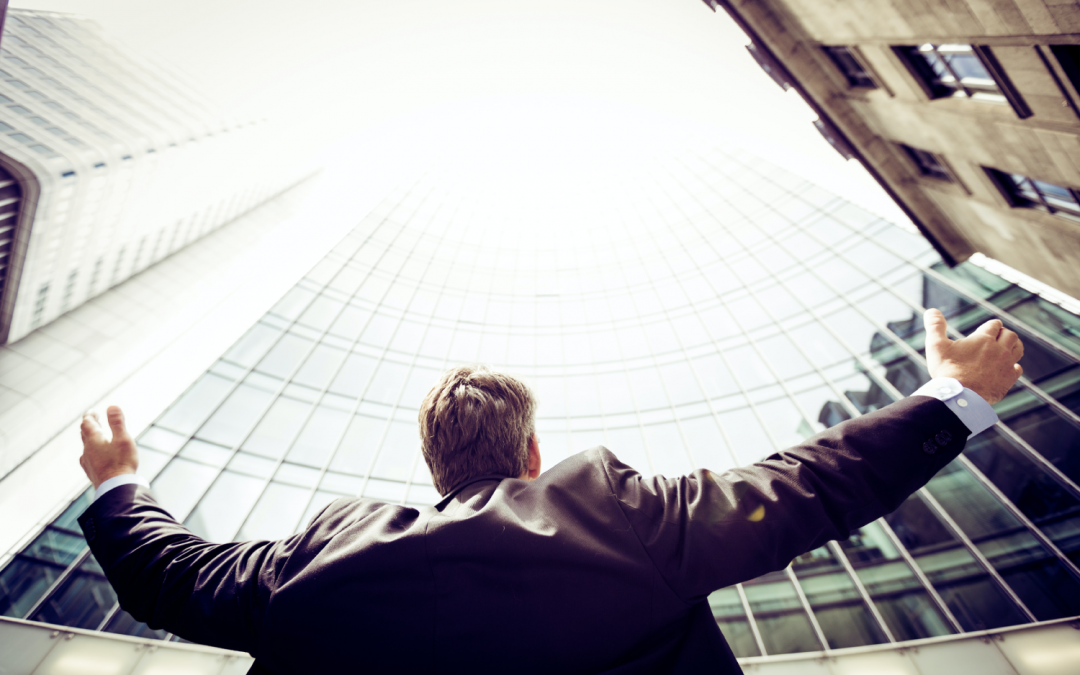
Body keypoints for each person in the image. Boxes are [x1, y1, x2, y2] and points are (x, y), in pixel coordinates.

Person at [77, 309, 1022, 674]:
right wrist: (953, 397)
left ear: (436, 470)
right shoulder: (609, 509)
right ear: (532, 454)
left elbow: (171, 577)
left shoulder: (318, 559)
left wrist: (120, 482)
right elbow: (806, 485)